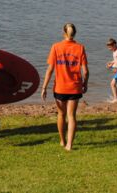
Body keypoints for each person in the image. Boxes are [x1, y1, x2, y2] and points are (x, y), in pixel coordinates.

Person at [41, 23, 89, 151]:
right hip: (74, 87)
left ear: (64, 33)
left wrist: (44, 87)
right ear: (74, 34)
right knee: (72, 116)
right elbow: (85, 71)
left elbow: (50, 69)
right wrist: (85, 83)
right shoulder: (80, 48)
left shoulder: (56, 47)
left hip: (60, 88)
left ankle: (62, 140)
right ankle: (69, 145)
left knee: (61, 114)